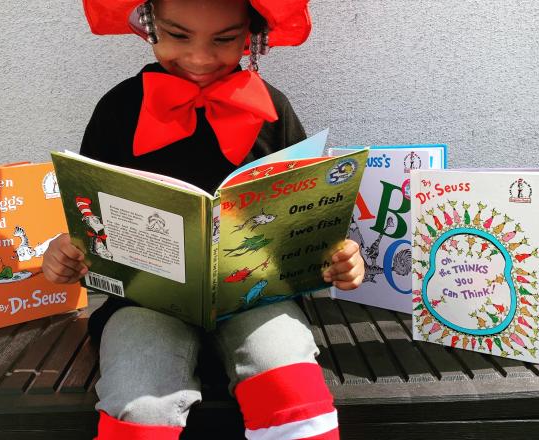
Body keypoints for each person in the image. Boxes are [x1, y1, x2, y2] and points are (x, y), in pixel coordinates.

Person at [43, 1, 365, 438]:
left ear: (251, 34)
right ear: (151, 24)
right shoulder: (118, 110)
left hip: (258, 299)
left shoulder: (273, 109)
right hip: (145, 305)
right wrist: (67, 253)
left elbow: (310, 214)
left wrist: (339, 256)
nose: (199, 57)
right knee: (138, 402)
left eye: (224, 39)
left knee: (292, 385)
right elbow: (88, 215)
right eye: (178, 35)